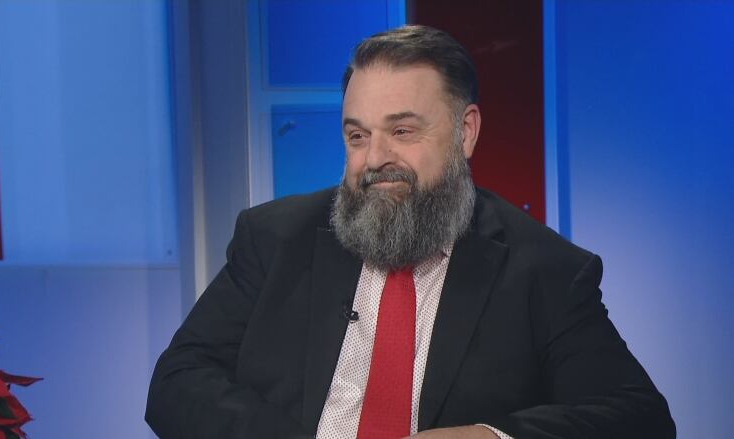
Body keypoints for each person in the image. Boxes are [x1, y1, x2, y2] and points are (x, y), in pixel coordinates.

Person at [145, 25, 675, 439]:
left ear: (465, 131)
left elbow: (637, 419)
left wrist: (486, 437)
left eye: (402, 131)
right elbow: (177, 381)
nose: (376, 160)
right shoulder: (274, 237)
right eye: (357, 136)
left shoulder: (545, 269)